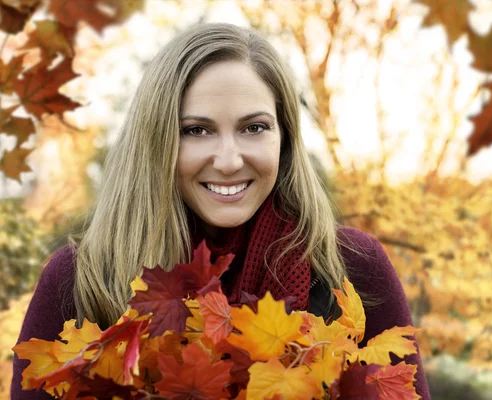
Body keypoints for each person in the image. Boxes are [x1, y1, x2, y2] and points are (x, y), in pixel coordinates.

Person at [12, 22, 431, 399]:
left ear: (284, 137)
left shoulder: (354, 268)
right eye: (196, 130)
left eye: (254, 127)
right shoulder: (80, 280)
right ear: (156, 142)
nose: (229, 160)